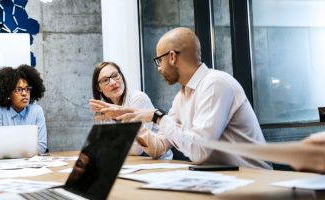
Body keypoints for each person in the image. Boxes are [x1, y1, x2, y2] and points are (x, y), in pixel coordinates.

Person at [101, 27, 271, 169]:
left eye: (159, 61)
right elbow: (158, 149)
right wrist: (133, 119)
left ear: (172, 57)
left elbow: (199, 152)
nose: (159, 68)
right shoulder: (181, 96)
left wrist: (157, 116)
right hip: (221, 178)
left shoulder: (215, 83)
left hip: (253, 180)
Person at [88, 61, 172, 159]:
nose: (113, 82)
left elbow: (136, 149)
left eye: (115, 75)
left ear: (121, 76)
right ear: (99, 88)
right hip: (129, 163)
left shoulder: (138, 98)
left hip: (157, 162)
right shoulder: (103, 107)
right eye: (105, 80)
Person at [0, 64, 47, 154]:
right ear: (8, 93)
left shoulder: (37, 111)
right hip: (6, 165)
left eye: (27, 89)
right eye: (18, 90)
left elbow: (41, 146)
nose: (24, 93)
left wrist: (10, 152)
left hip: (32, 164)